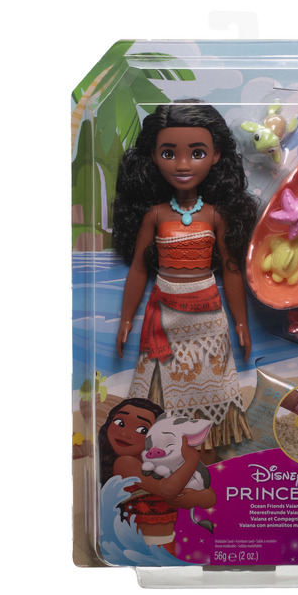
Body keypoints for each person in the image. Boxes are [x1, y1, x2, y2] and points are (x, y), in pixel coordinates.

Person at [113, 100, 258, 458]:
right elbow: (139, 269)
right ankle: (165, 450)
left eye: (197, 153)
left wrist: (241, 322)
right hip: (165, 314)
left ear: (216, 155)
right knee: (161, 384)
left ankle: (206, 451)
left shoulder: (215, 215)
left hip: (207, 316)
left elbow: (231, 269)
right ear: (153, 156)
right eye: (168, 153)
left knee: (210, 384)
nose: (182, 165)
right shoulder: (155, 214)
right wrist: (126, 319)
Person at [97, 398, 216, 556]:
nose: (125, 433)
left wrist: (197, 497)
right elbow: (168, 490)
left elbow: (210, 497)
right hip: (139, 546)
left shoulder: (165, 463)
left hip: (165, 543)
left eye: (142, 430)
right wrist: (191, 459)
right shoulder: (125, 463)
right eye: (120, 422)